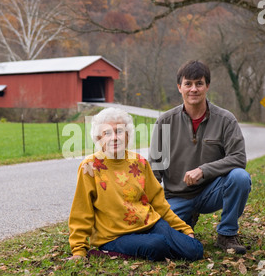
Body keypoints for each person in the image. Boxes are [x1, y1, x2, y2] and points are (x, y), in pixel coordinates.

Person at [68, 107, 203, 261]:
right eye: (107, 133)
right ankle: (108, 252)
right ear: (99, 138)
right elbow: (81, 210)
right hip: (115, 236)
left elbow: (159, 202)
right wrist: (79, 250)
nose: (114, 138)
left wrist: (184, 229)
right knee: (156, 245)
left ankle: (164, 247)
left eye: (119, 131)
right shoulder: (90, 167)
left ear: (127, 135)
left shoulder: (139, 162)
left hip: (151, 224)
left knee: (195, 250)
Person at [149, 60, 251, 254]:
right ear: (180, 87)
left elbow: (238, 158)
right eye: (188, 84)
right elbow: (155, 169)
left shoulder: (225, 119)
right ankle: (187, 219)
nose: (193, 89)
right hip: (176, 196)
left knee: (240, 177)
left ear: (207, 86)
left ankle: (227, 234)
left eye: (199, 83)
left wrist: (204, 170)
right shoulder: (165, 121)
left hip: (211, 192)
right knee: (160, 235)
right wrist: (149, 204)